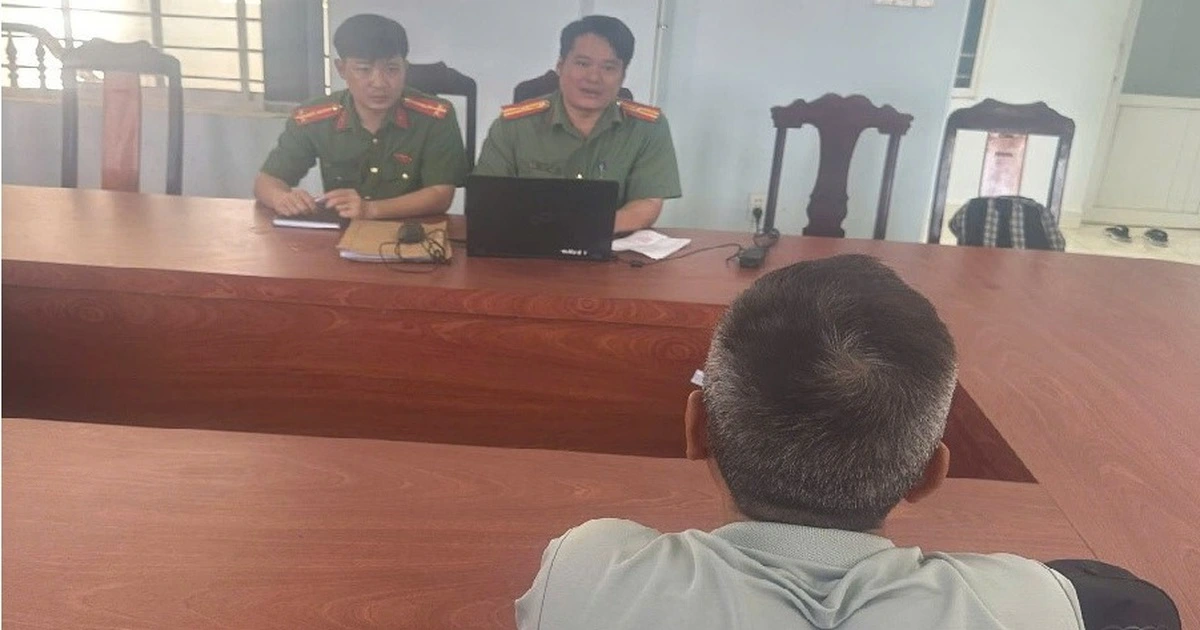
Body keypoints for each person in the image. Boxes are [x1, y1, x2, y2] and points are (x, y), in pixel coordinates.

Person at [516, 254, 1179, 630]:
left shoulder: (588, 574)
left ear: (696, 430)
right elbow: (1141, 607)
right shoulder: (1026, 607)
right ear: (930, 475)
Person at [473, 15, 681, 234]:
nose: (594, 78)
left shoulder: (648, 128)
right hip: (528, 242)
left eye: (609, 68)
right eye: (582, 64)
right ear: (560, 66)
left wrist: (583, 228)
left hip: (611, 245)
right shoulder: (513, 125)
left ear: (622, 76)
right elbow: (487, 198)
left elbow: (647, 204)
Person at [255, 14, 468, 220]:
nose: (379, 83)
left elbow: (441, 194)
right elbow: (267, 180)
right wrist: (281, 198)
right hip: (342, 232)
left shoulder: (435, 116)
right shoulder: (314, 118)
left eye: (392, 69)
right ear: (341, 69)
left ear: (405, 68)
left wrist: (370, 210)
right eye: (364, 69)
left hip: (413, 231)